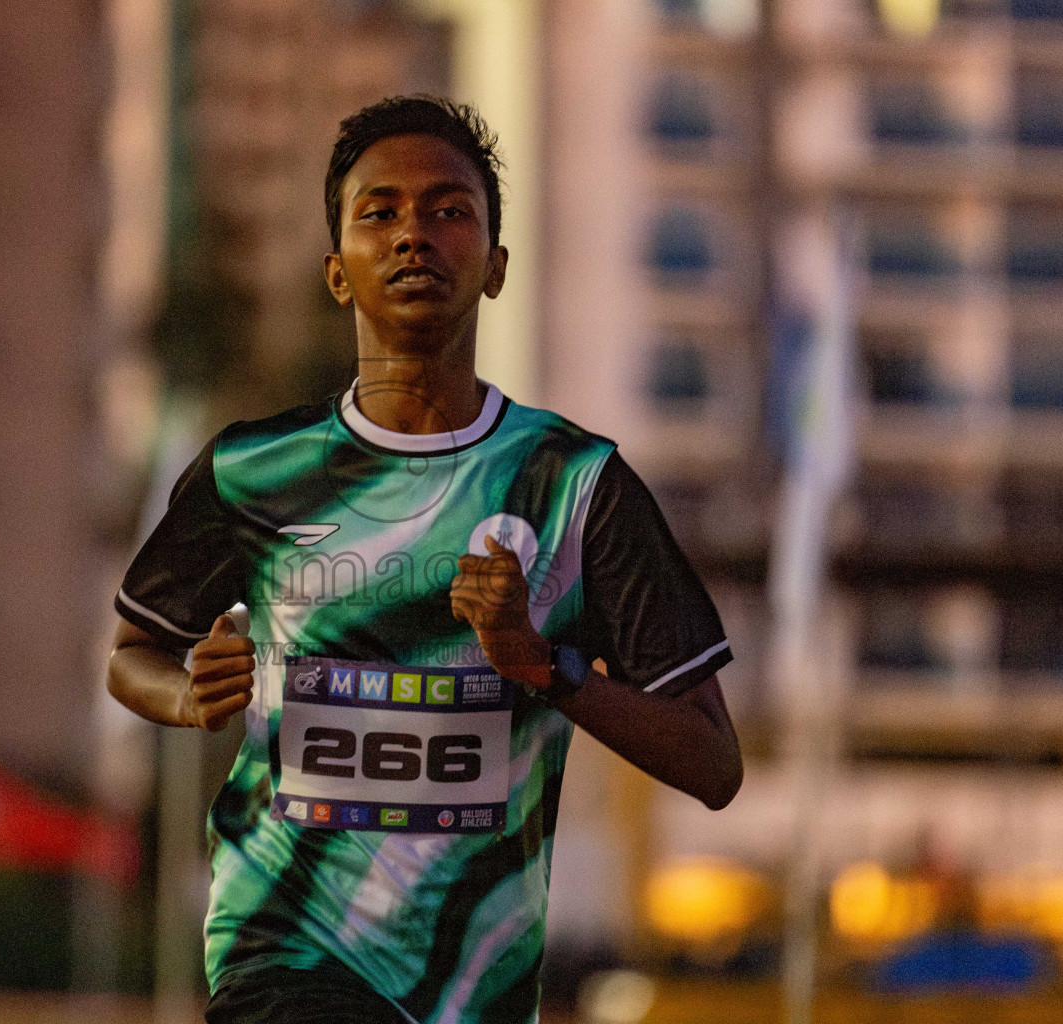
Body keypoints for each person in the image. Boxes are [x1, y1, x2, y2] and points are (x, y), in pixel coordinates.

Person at [107, 95, 742, 1024]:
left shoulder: (574, 485)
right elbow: (131, 652)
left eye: (449, 212)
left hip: (472, 984)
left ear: (494, 266)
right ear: (337, 272)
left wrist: (547, 668)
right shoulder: (255, 471)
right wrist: (185, 692)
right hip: (282, 950)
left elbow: (714, 763)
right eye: (381, 213)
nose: (414, 235)